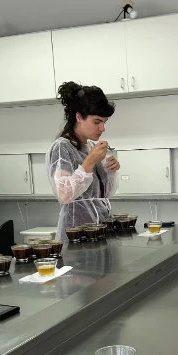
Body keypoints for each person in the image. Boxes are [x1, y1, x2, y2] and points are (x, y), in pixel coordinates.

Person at [47, 81, 120, 241]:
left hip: (100, 229)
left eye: (104, 122)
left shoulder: (90, 147)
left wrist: (111, 170)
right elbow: (64, 194)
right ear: (79, 117)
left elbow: (104, 194)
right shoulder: (61, 147)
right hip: (76, 234)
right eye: (97, 122)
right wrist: (89, 162)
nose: (102, 128)